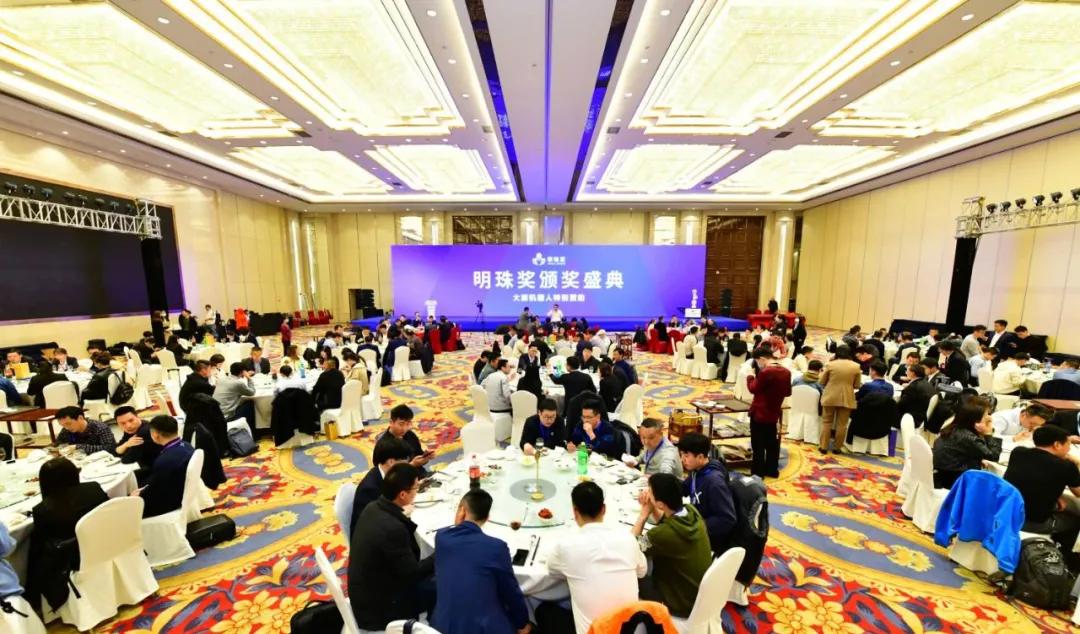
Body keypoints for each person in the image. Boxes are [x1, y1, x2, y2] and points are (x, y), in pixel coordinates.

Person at [543, 482, 647, 634]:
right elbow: (642, 572)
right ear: (604, 509)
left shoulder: (566, 546)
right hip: (630, 629)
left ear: (575, 512)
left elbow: (552, 571)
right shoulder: (627, 539)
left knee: (544, 610)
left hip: (594, 631)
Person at [348, 463, 435, 630]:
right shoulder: (393, 529)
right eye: (416, 488)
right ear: (402, 494)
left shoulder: (372, 507)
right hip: (379, 610)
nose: (417, 491)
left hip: (365, 593)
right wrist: (440, 552)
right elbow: (413, 574)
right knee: (441, 585)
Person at [431, 489, 531, 634]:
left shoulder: (441, 537)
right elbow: (510, 591)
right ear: (487, 518)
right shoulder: (496, 547)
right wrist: (522, 622)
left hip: (442, 626)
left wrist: (459, 522)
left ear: (462, 511)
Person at [26, 457, 109, 610]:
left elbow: (44, 542)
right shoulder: (94, 488)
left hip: (74, 558)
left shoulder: (43, 509)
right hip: (105, 542)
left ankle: (32, 599)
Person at [631, 473, 712, 618]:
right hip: (699, 594)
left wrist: (643, 515)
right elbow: (667, 519)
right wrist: (653, 507)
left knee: (633, 573)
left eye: (650, 491)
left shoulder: (661, 534)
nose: (646, 492)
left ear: (661, 504)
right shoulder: (691, 511)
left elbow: (631, 547)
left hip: (679, 602)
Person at [1004, 425, 1080, 548]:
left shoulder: (1018, 452)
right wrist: (1077, 463)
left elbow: (1032, 477)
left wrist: (1056, 495)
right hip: (1031, 523)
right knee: (1074, 520)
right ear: (1057, 444)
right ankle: (1060, 553)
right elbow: (1078, 493)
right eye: (1068, 445)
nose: (1069, 449)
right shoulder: (1066, 466)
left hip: (1005, 513)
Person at [676, 432, 736, 552]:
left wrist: (694, 527)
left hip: (709, 539)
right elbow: (683, 488)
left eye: (686, 455)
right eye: (681, 454)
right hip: (697, 523)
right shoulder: (697, 470)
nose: (682, 459)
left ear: (700, 457)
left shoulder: (714, 482)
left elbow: (727, 519)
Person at [932, 397, 1001, 488]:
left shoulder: (954, 427)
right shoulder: (968, 437)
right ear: (975, 420)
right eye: (986, 415)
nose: (990, 418)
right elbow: (994, 456)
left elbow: (961, 452)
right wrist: (988, 434)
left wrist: (977, 460)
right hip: (956, 481)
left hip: (942, 475)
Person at [350, 434, 412, 534]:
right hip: (370, 536)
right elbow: (375, 523)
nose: (407, 464)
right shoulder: (370, 488)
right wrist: (402, 513)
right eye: (405, 461)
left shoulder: (388, 473)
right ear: (391, 462)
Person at [138, 415, 196, 518]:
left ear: (155, 435)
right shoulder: (186, 445)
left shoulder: (164, 460)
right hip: (183, 491)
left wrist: (140, 494)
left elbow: (155, 489)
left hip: (171, 501)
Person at [746, 348, 791, 477]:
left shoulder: (766, 371)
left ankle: (758, 472)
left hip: (760, 411)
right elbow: (788, 392)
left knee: (758, 443)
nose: (757, 364)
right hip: (774, 410)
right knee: (771, 442)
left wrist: (750, 377)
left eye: (757, 361)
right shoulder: (786, 371)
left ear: (762, 358)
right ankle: (772, 470)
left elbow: (753, 388)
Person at [819, 345, 861, 454]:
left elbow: (822, 381)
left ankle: (823, 447)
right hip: (847, 397)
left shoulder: (830, 364)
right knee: (842, 424)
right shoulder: (856, 366)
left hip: (830, 396)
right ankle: (837, 447)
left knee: (827, 422)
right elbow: (857, 385)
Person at [114, 405, 162, 484]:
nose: (128, 425)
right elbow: (115, 450)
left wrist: (124, 448)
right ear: (118, 425)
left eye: (131, 420)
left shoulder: (144, 432)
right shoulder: (133, 429)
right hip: (147, 465)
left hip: (158, 470)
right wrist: (126, 445)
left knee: (121, 480)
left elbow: (127, 460)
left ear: (137, 417)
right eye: (122, 423)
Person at [383, 404, 435, 470]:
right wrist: (412, 465)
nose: (404, 429)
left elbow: (418, 456)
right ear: (391, 422)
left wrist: (426, 457)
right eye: (401, 424)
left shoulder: (410, 435)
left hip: (419, 473)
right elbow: (389, 473)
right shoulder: (384, 446)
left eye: (408, 424)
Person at [214, 362, 256, 426]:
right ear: (242, 372)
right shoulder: (238, 383)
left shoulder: (222, 379)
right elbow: (252, 392)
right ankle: (249, 427)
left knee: (243, 400)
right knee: (250, 403)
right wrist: (249, 378)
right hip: (227, 416)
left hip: (216, 413)